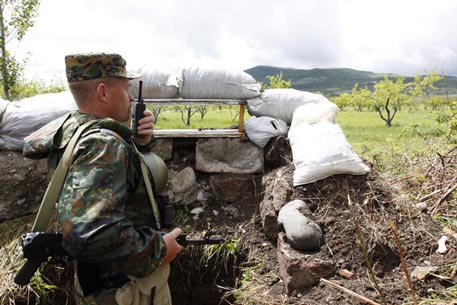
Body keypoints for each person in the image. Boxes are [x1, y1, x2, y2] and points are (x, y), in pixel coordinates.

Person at [23, 52, 182, 305]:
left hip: (96, 284)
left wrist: (138, 141)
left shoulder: (76, 130)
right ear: (103, 92)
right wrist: (159, 250)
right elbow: (89, 233)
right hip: (124, 290)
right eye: (126, 89)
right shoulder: (103, 144)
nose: (131, 97)